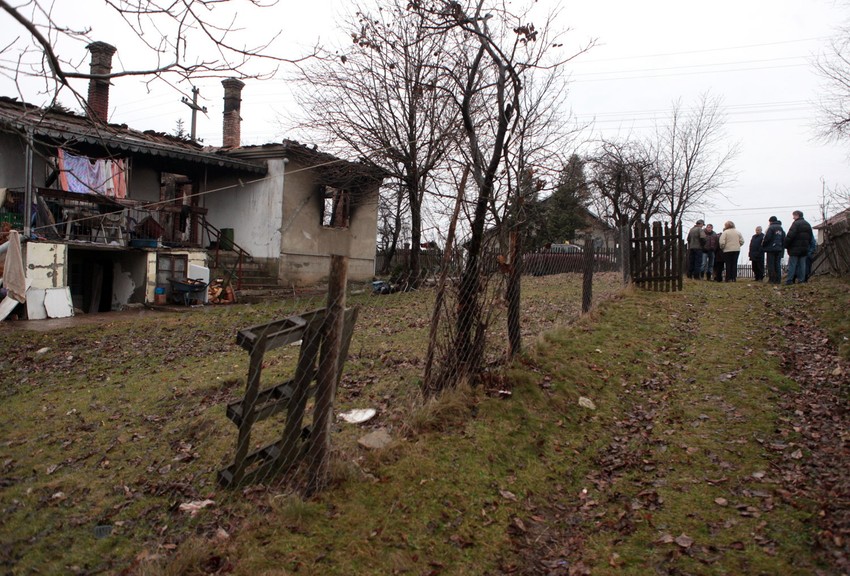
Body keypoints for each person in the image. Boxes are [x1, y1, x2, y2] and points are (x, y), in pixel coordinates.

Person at [784, 210, 813, 284]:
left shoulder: (796, 224)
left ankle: (789, 280)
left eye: (794, 215)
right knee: (802, 265)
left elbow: (790, 236)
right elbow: (810, 237)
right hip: (804, 248)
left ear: (797, 215)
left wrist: (786, 245)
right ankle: (801, 280)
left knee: (792, 265)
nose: (793, 217)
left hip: (794, 248)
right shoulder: (807, 224)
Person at [761, 216, 785, 284]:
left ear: (770, 221)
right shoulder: (780, 228)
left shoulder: (771, 228)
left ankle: (772, 279)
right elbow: (783, 238)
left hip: (771, 249)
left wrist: (763, 245)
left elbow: (767, 238)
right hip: (779, 248)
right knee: (777, 264)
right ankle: (778, 279)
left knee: (771, 264)